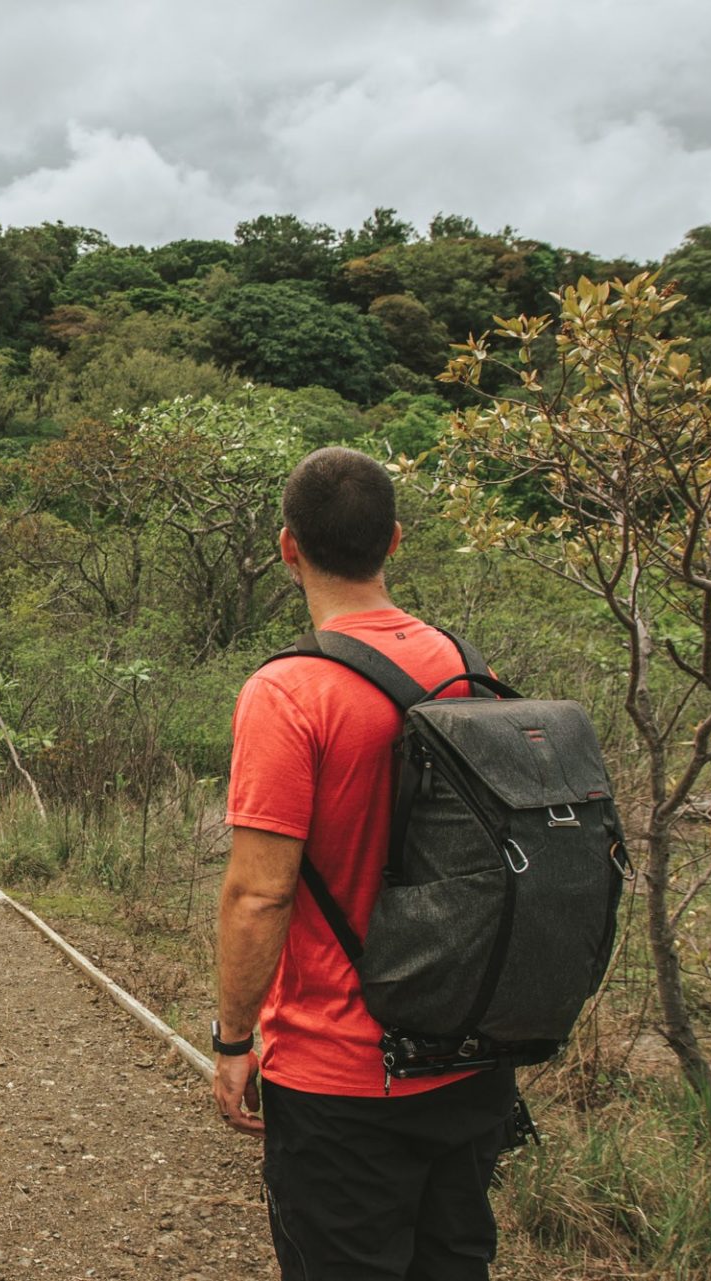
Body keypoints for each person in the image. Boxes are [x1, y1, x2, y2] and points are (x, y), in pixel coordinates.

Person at [212, 446, 515, 1279]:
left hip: (340, 1076)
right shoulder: (466, 668)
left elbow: (258, 897)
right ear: (395, 540)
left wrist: (233, 1038)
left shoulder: (287, 692)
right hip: (467, 1054)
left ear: (287, 546)